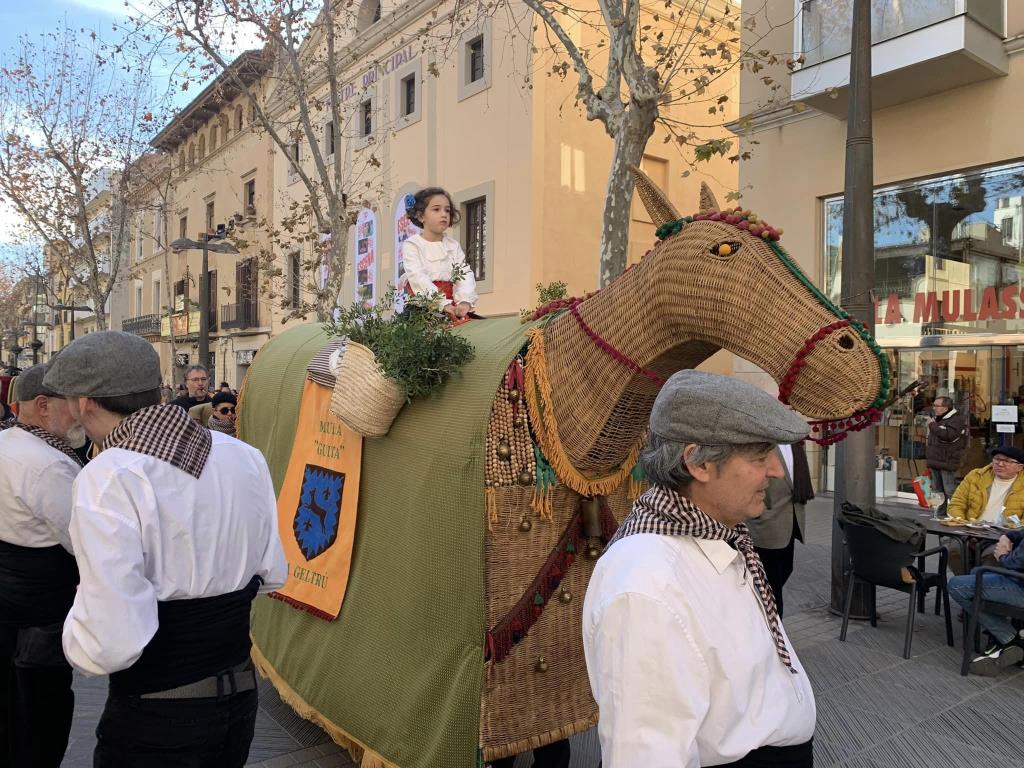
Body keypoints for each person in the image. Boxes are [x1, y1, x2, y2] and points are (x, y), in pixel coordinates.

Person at [42, 331, 288, 767]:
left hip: (157, 713)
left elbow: (111, 642)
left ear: (85, 402)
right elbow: (271, 574)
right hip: (239, 700)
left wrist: (72, 640)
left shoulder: (108, 477)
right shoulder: (244, 456)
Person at [583, 371, 815, 767]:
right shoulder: (647, 587)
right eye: (760, 457)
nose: (776, 472)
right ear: (698, 463)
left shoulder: (717, 533)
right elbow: (645, 756)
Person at [0, 364, 84, 767]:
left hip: (13, 609)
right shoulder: (47, 464)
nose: (80, 412)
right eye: (72, 402)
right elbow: (81, 540)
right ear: (44, 405)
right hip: (40, 618)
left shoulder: (7, 446)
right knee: (41, 719)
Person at [746, 441, 815, 617]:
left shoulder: (795, 443)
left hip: (791, 523)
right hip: (767, 525)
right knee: (771, 586)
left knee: (786, 569)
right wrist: (759, 515)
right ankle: (775, 632)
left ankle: (763, 621)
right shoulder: (763, 441)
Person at [948, 529, 1024, 675]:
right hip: (1017, 579)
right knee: (976, 572)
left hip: (1019, 586)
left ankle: (1011, 640)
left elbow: (1016, 562)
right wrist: (1006, 537)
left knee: (956, 586)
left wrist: (1002, 556)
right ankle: (1007, 640)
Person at [401, 187, 478, 321]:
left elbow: (464, 273)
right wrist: (442, 304)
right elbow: (418, 277)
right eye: (436, 209)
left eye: (447, 210)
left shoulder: (452, 246)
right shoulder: (412, 245)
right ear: (420, 216)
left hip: (451, 308)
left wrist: (465, 301)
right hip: (423, 310)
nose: (444, 214)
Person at [947, 446, 1024, 525]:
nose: (1000, 464)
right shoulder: (976, 476)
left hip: (1006, 533)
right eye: (997, 459)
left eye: (1007, 461)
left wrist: (1012, 533)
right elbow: (957, 503)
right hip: (970, 529)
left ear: (1019, 467)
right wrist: (960, 522)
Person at [926, 395, 967, 517]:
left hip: (947, 460)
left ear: (946, 407)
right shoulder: (937, 419)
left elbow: (949, 435)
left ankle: (957, 515)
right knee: (937, 490)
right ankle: (938, 513)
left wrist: (932, 425)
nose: (934, 408)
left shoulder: (957, 419)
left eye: (937, 406)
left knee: (949, 490)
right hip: (935, 460)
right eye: (934, 405)